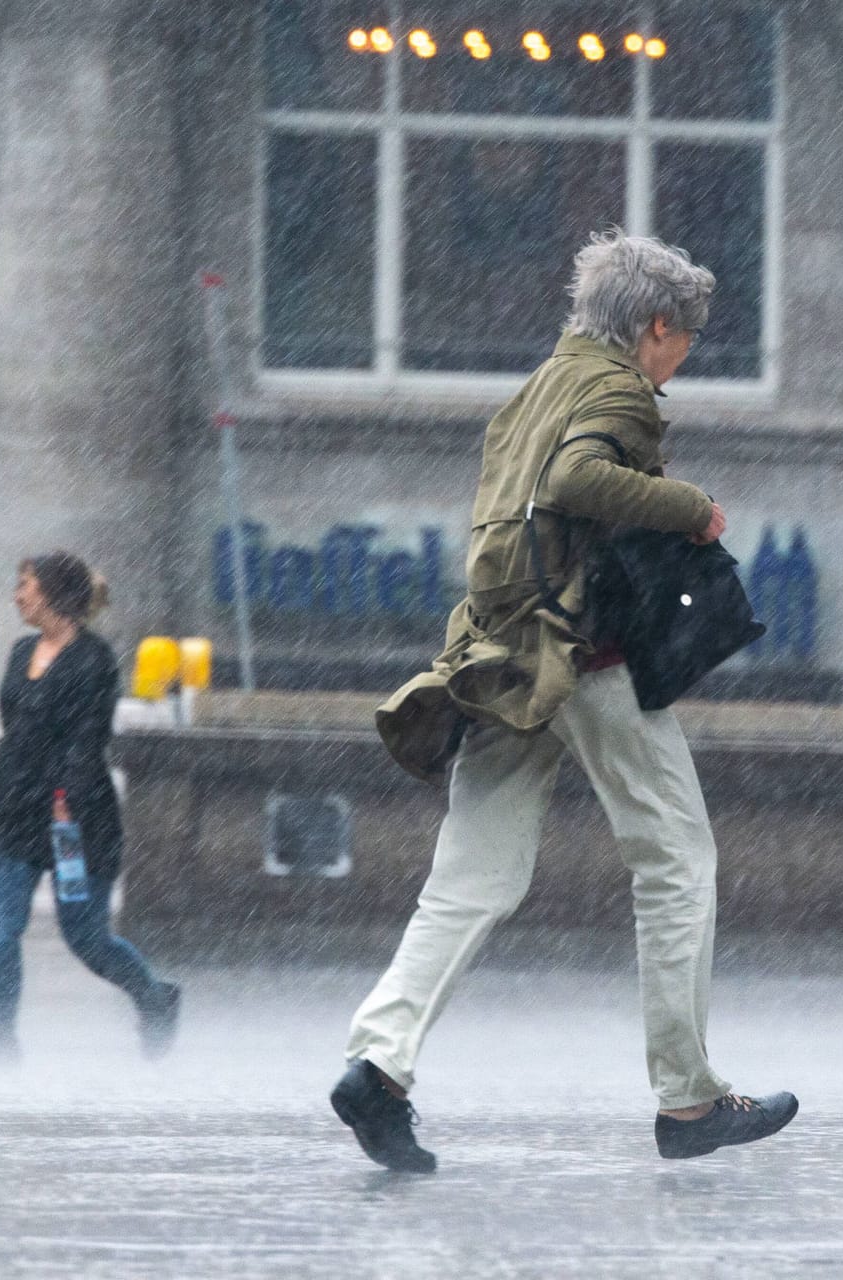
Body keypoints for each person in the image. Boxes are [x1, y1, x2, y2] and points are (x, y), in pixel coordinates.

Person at [333, 231, 797, 1174]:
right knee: (675, 858)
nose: (679, 365)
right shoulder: (618, 389)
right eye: (683, 343)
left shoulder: (540, 382)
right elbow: (577, 481)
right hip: (590, 658)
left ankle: (377, 1067)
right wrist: (691, 506)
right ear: (654, 327)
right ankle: (688, 1099)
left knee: (472, 879)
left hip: (503, 658)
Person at [0, 552, 181, 1066]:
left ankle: (155, 998)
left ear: (54, 594)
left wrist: (68, 802)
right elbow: (17, 734)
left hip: (75, 816)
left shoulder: (94, 659)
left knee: (86, 937)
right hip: (14, 809)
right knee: (0, 932)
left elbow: (87, 740)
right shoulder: (19, 653)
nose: (17, 596)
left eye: (25, 586)